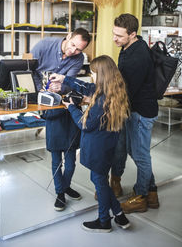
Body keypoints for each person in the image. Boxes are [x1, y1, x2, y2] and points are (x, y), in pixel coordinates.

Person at [50, 55, 131, 233]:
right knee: (100, 179)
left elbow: (84, 124)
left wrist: (71, 106)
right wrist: (64, 78)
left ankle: (104, 222)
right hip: (108, 146)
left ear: (101, 75)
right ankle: (119, 214)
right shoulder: (113, 92)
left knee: (99, 182)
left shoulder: (101, 101)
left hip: (97, 149)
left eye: (93, 73)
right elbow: (87, 87)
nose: (91, 76)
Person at [31, 28, 91, 211]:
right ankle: (59, 193)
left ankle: (66, 186)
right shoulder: (43, 46)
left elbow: (68, 83)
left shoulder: (79, 59)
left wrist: (61, 87)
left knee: (71, 160)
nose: (73, 51)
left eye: (79, 49)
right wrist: (38, 90)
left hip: (71, 110)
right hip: (51, 110)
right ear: (69, 35)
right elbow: (28, 71)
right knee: (56, 158)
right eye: (73, 45)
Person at [111, 13, 159, 214]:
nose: (115, 39)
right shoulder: (128, 47)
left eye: (119, 36)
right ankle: (152, 192)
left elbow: (128, 90)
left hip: (141, 113)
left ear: (132, 34)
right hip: (136, 110)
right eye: (114, 33)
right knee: (137, 153)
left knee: (140, 155)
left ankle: (141, 197)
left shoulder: (138, 56)